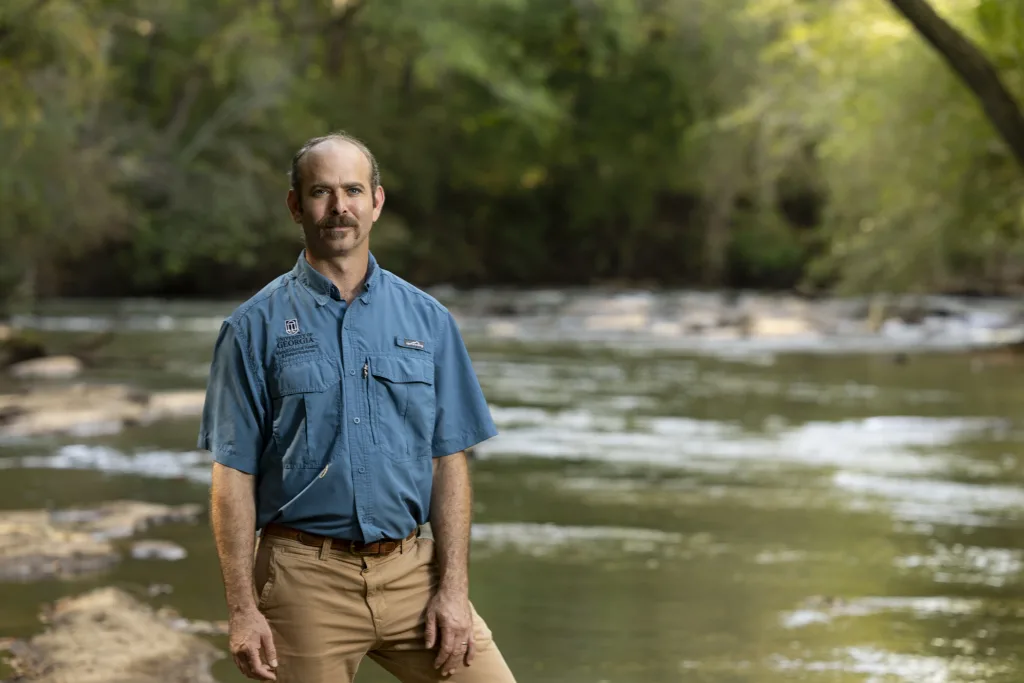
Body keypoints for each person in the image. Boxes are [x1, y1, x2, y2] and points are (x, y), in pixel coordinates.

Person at [197, 132, 516, 683]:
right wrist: (243, 610)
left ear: (376, 202)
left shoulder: (429, 320)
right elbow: (232, 476)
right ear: (296, 206)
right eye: (321, 191)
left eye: (352, 190)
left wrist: (453, 589)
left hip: (413, 573)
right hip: (303, 579)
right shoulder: (252, 328)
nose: (339, 206)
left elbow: (448, 462)